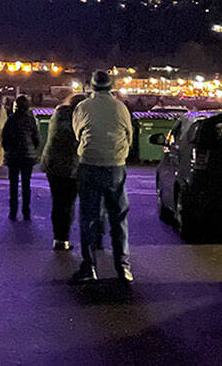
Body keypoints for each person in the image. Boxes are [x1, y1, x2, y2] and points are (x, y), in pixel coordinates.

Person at [71, 70, 134, 284]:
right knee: (119, 217)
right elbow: (129, 135)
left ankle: (89, 266)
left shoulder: (83, 107)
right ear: (111, 86)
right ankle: (123, 267)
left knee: (88, 217)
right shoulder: (120, 107)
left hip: (89, 164)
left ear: (92, 86)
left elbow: (78, 133)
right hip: (115, 166)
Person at [40, 94, 86, 249]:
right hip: (70, 167)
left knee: (58, 202)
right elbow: (76, 142)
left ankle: (58, 238)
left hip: (52, 165)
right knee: (68, 203)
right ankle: (64, 239)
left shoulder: (58, 114)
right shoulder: (77, 119)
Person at [2, 94, 41, 221]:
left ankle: (13, 211)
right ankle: (26, 211)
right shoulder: (30, 120)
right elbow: (36, 138)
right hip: (27, 156)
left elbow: (5, 138)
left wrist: (8, 150)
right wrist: (32, 150)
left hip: (13, 156)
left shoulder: (11, 119)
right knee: (26, 184)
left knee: (13, 185)